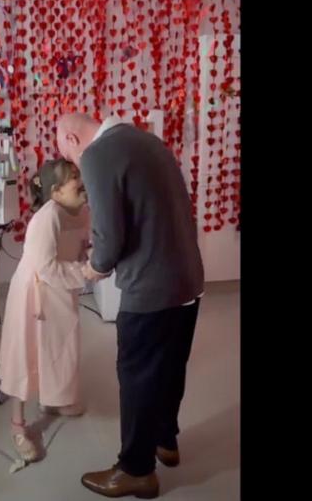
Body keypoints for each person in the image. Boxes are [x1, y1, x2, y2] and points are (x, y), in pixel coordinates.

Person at [57, 112, 204, 499]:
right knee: (170, 365)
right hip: (187, 279)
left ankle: (137, 470)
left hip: (151, 288)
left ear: (72, 139)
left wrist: (93, 268)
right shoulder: (147, 141)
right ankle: (165, 441)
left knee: (137, 374)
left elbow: (108, 236)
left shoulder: (98, 154)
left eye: (69, 158)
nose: (76, 167)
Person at [0, 158, 91, 462]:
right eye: (73, 177)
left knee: (58, 346)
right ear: (55, 192)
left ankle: (53, 399)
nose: (80, 180)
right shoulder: (47, 216)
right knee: (25, 355)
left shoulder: (77, 210)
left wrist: (88, 257)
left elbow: (78, 246)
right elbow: (47, 268)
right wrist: (87, 271)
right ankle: (17, 425)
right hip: (34, 293)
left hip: (58, 293)